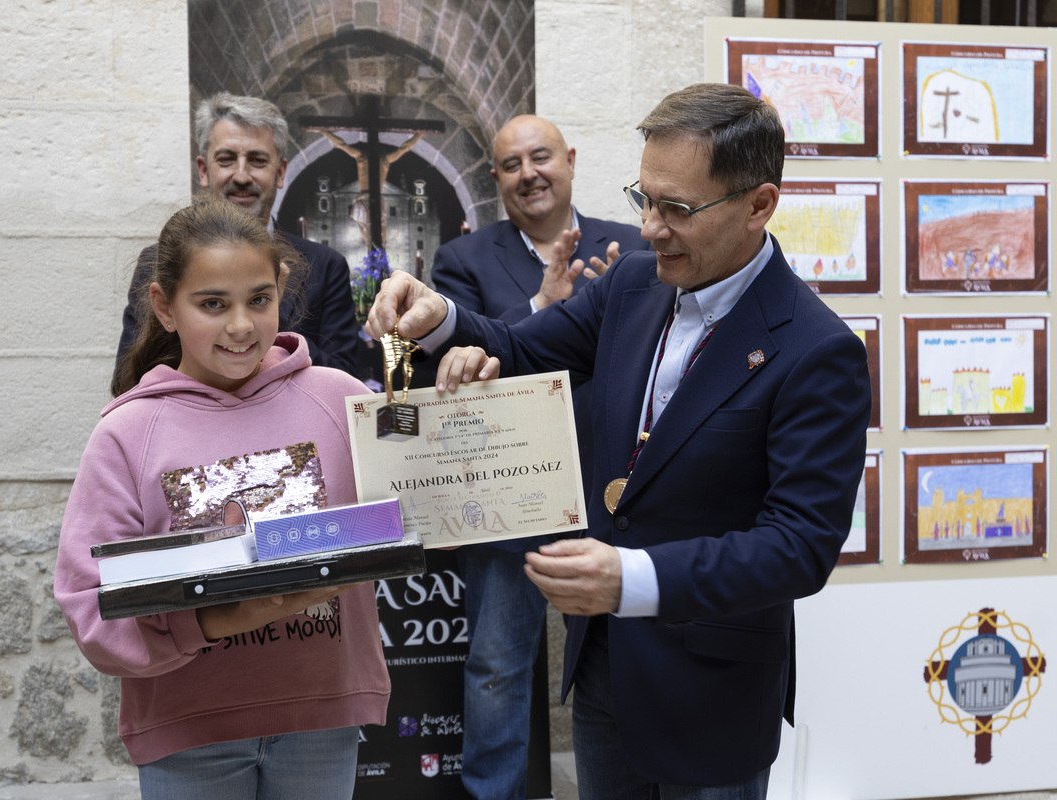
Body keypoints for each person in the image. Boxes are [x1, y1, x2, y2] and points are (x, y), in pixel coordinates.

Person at [366, 83, 871, 798]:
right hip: (604, 670)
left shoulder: (817, 350)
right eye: (645, 200)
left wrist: (630, 579)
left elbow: (799, 547)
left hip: (710, 692)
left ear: (759, 205)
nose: (653, 229)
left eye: (679, 209)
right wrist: (439, 314)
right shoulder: (633, 283)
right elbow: (518, 346)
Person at [57, 196, 390, 799]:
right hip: (190, 735)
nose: (240, 325)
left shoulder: (338, 400)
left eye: (258, 300)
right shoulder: (127, 434)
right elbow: (89, 603)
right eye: (213, 304)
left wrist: (461, 391)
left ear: (281, 289)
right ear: (164, 307)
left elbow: (418, 499)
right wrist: (216, 619)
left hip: (321, 719)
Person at [429, 114, 645, 800]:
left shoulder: (637, 248)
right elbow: (463, 368)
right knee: (497, 664)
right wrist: (542, 305)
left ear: (571, 159)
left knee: (626, 657)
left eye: (541, 156)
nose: (529, 173)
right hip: (510, 493)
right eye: (511, 164)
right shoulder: (462, 260)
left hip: (617, 492)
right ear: (495, 180)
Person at [112, 93, 362, 392]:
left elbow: (344, 379)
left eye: (257, 160)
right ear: (204, 170)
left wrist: (265, 316)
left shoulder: (325, 265)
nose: (241, 176)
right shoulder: (158, 262)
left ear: (281, 171)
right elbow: (130, 380)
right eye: (227, 159)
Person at [318, 129, 425, 249]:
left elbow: (341, 144)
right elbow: (406, 147)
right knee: (380, 230)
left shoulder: (361, 157)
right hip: (376, 199)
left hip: (364, 198)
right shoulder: (385, 160)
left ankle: (374, 254)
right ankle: (378, 255)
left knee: (369, 230)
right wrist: (420, 134)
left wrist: (324, 132)